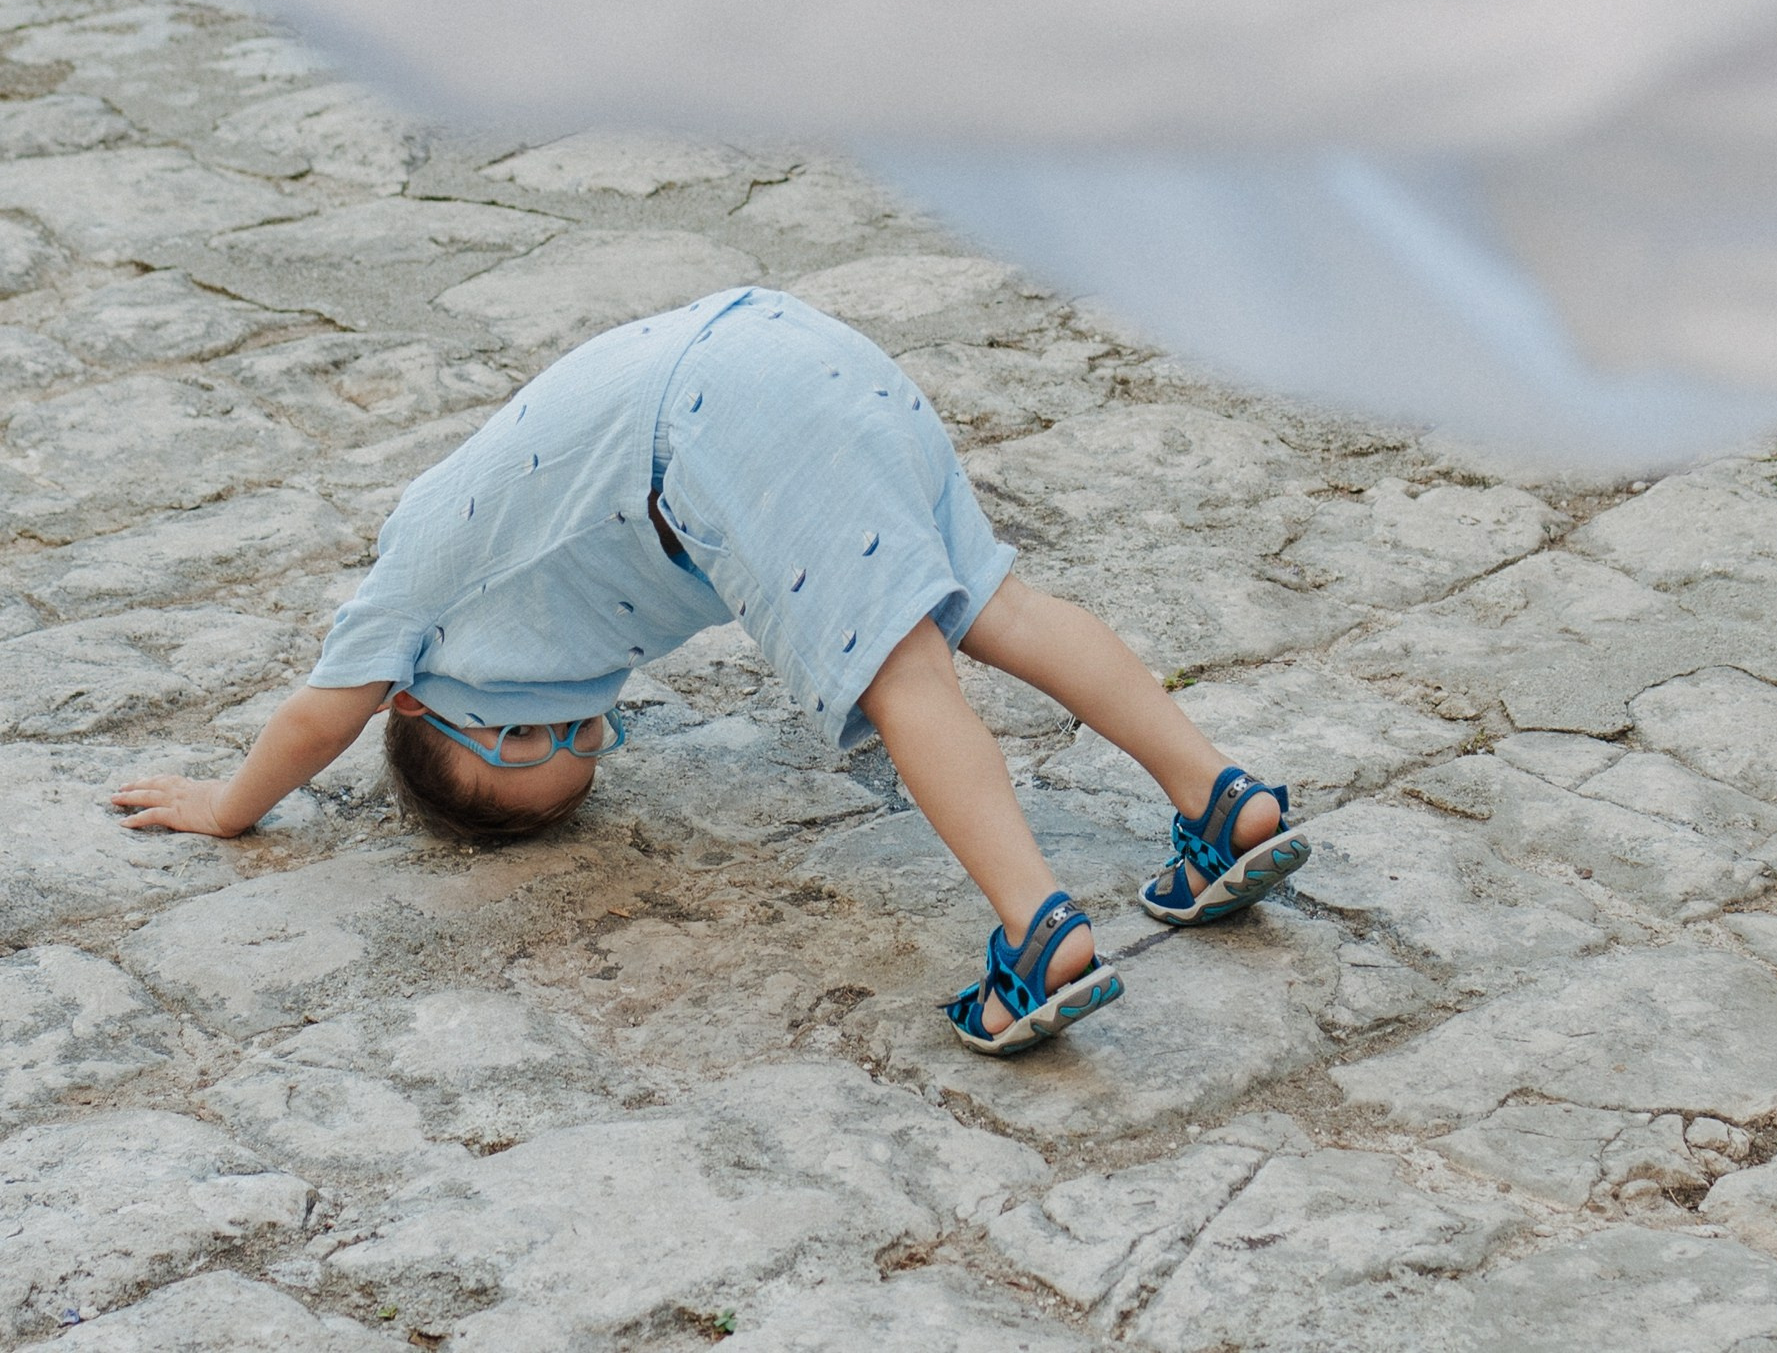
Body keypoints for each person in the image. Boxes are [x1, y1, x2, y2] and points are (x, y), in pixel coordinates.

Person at [111, 286, 1308, 1054]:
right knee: (996, 605)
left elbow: (322, 714)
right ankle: (1221, 800)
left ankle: (1035, 929)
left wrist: (232, 808)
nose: (570, 731)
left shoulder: (422, 586)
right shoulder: (557, 630)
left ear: (422, 704)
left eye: (520, 740)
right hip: (798, 347)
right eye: (580, 752)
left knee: (901, 677)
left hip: (716, 416)